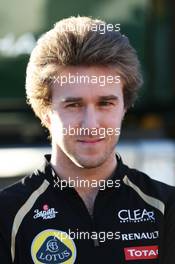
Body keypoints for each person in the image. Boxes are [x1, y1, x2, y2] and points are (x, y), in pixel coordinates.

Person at [0, 16, 174, 264]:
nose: (90, 124)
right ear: (45, 112)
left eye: (105, 103)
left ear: (125, 107)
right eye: (73, 104)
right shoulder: (7, 215)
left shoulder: (166, 208)